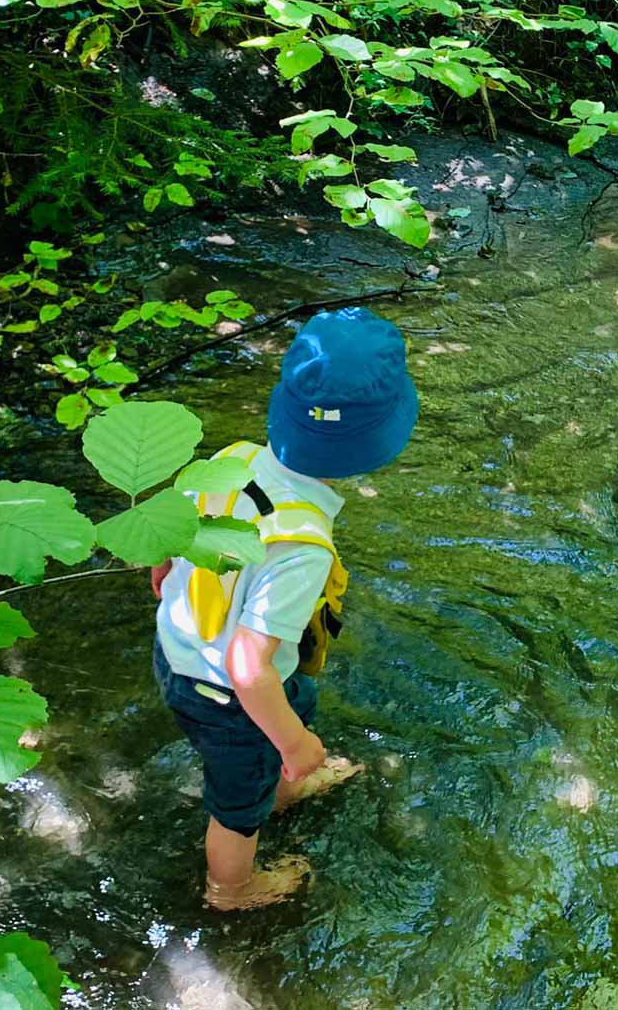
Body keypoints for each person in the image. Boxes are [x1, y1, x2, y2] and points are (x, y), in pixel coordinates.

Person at [151, 307, 418, 909]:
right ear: (373, 445)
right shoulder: (301, 546)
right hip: (226, 692)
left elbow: (169, 531)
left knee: (286, 707)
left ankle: (283, 780)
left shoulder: (237, 457)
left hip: (178, 650)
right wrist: (297, 744)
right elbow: (249, 668)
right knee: (236, 805)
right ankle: (232, 888)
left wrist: (163, 573)